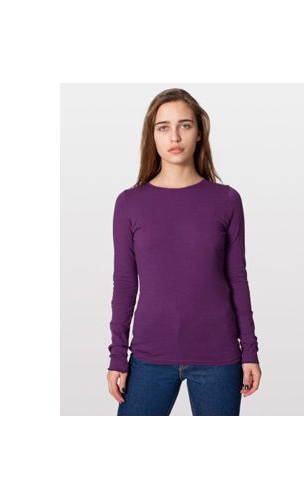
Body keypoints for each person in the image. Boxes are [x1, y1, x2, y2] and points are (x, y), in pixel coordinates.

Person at [106, 88, 262, 416]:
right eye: (163, 127)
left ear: (200, 132)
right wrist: (117, 356)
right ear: (152, 135)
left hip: (218, 357)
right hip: (149, 356)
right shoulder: (130, 204)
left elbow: (237, 278)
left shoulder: (226, 200)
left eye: (185, 125)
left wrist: (250, 350)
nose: (174, 136)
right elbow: (125, 283)